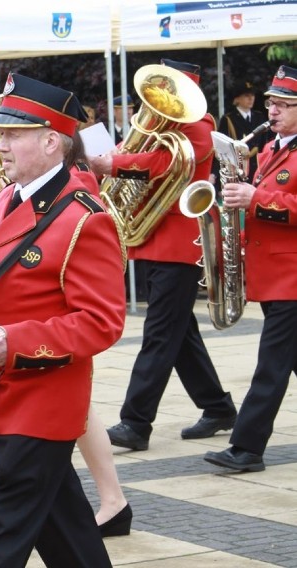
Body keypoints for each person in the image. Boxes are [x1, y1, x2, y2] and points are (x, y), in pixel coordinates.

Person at [0, 73, 125, 567]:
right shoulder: (8, 197)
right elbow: (0, 283)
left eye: (12, 135)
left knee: (0, 543)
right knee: (69, 536)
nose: (0, 145)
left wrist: (17, 340)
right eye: (1, 134)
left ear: (49, 141)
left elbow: (102, 321)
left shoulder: (85, 217)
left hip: (42, 399)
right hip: (3, 387)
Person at [92, 59, 238, 452]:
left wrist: (114, 164)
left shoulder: (198, 125)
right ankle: (218, 407)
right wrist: (113, 155)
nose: (157, 103)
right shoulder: (159, 125)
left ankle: (135, 423)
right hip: (156, 238)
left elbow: (169, 163)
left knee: (159, 334)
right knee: (179, 333)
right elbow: (135, 152)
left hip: (180, 242)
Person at [204, 65, 297, 473]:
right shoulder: (273, 145)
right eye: (270, 102)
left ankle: (246, 447)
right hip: (274, 275)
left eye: (283, 104)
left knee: (270, 368)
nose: (271, 110)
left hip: (291, 279)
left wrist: (254, 197)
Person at [211, 80, 271, 188]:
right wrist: (214, 172)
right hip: (237, 167)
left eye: (252, 95)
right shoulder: (229, 119)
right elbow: (220, 149)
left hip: (257, 167)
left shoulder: (259, 117)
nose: (251, 98)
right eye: (246, 95)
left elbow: (264, 142)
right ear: (237, 99)